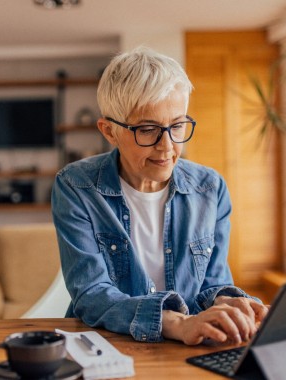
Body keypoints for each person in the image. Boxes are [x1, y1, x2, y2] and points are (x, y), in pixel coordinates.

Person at [51, 47, 268, 345]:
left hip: (188, 342)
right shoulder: (76, 186)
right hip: (107, 344)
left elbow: (213, 282)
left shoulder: (210, 187)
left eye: (177, 125)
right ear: (109, 131)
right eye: (148, 129)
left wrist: (230, 304)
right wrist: (176, 323)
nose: (167, 146)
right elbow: (91, 295)